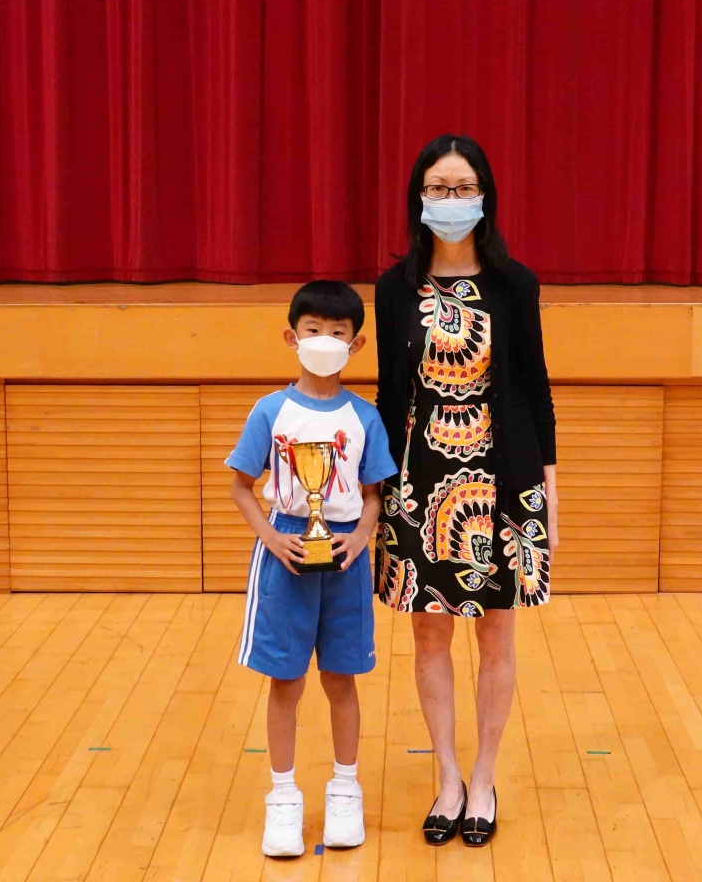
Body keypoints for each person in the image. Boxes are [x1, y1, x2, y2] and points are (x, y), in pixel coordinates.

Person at [374, 134, 559, 847]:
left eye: (462, 188)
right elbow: (390, 395)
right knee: (428, 632)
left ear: (485, 197)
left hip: (505, 478)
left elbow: (536, 391)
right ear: (418, 198)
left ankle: (484, 776)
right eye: (437, 189)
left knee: (497, 631)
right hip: (418, 483)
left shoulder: (516, 285)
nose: (450, 200)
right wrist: (377, 493)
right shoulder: (395, 288)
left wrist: (550, 493)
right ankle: (447, 777)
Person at [227, 280, 398, 858]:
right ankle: (283, 797)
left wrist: (362, 537)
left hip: (345, 553)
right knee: (287, 679)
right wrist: (273, 537)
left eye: (338, 332)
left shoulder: (365, 416)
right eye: (314, 330)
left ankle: (345, 790)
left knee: (341, 677)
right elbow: (241, 486)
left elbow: (374, 494)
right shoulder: (270, 411)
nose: (325, 340)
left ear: (357, 344)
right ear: (291, 337)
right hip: (288, 550)